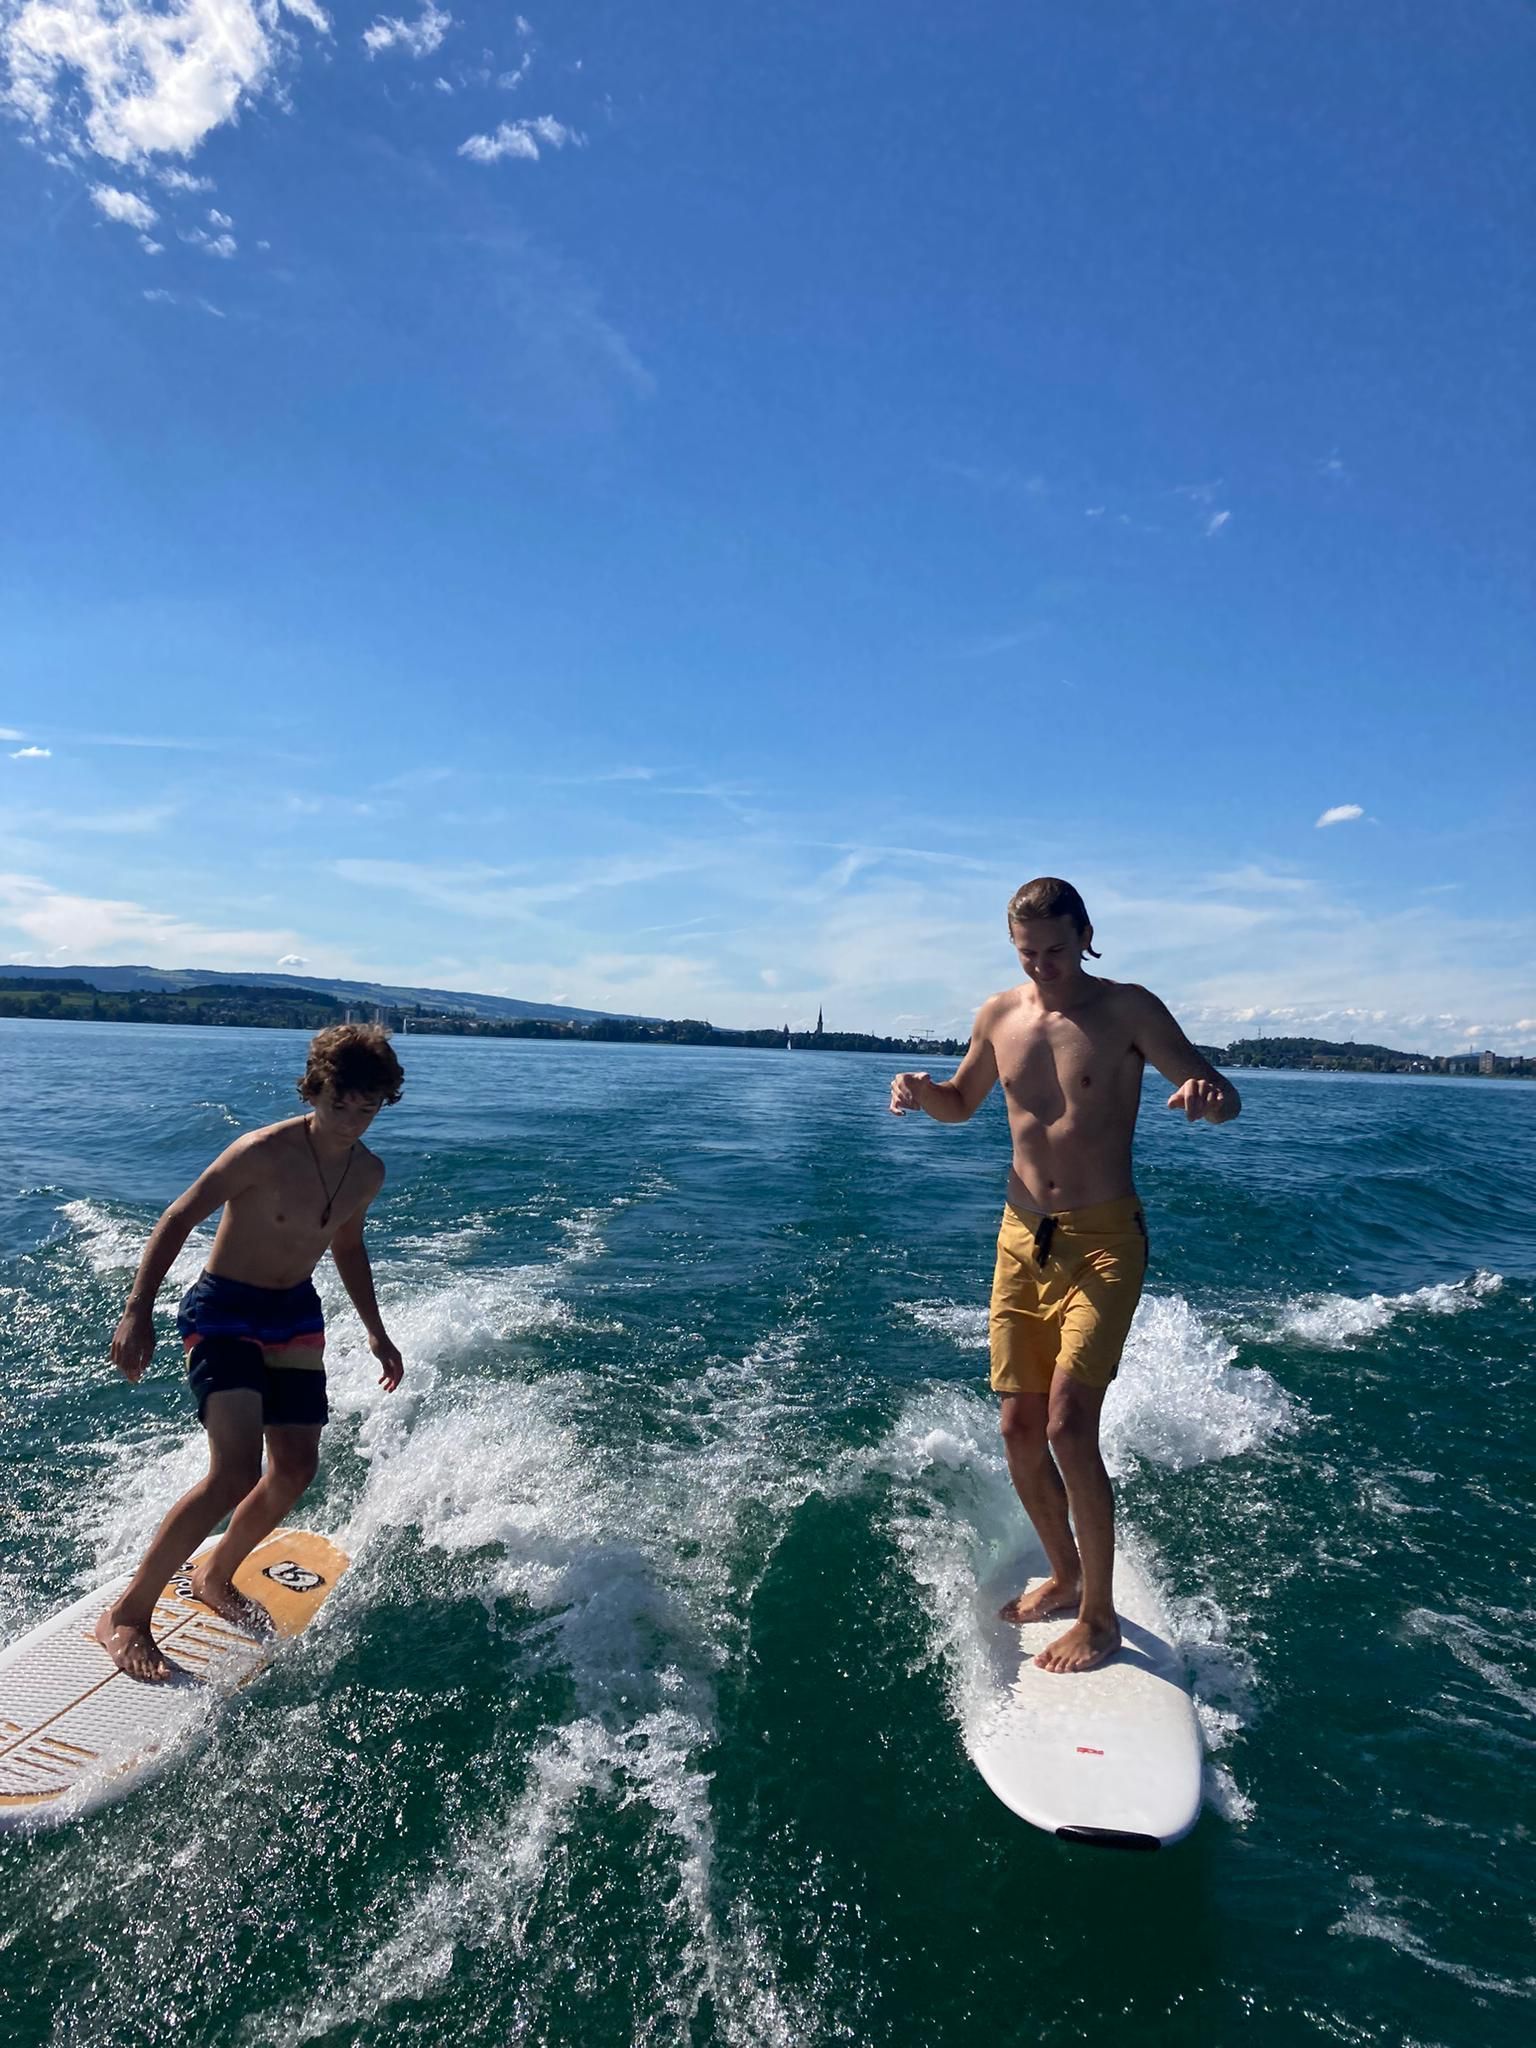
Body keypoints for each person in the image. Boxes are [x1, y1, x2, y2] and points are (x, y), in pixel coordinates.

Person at [890, 878, 1240, 1675]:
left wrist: (1206, 1097)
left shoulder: (1129, 1010)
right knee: (1017, 1428)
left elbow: (1224, 1099)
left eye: (1057, 949)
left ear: (1086, 935)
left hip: (1107, 1240)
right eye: (1028, 954)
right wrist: (921, 1092)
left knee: (1068, 1426)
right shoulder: (999, 1015)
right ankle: (1065, 1569)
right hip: (1021, 1238)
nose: (1044, 966)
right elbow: (963, 1100)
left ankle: (1100, 1617)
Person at [96, 1023, 407, 1681]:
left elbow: (347, 1247)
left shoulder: (368, 1172)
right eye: (339, 1103)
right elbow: (179, 1216)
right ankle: (127, 1614)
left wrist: (377, 1332)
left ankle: (216, 1573)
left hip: (294, 1316)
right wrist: (136, 1311)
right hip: (225, 1312)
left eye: (368, 1107)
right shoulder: (261, 1152)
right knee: (233, 1472)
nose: (352, 1119)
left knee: (294, 1469)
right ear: (315, 1090)